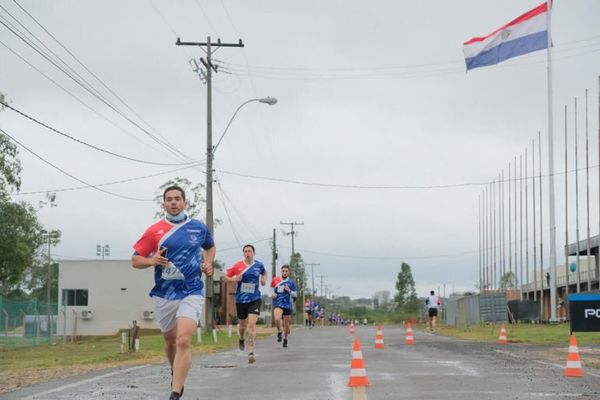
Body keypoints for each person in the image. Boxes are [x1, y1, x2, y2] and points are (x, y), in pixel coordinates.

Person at [131, 186, 216, 400]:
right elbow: (135, 260)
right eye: (169, 200)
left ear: (185, 203)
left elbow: (210, 247)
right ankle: (175, 370)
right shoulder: (154, 231)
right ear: (164, 205)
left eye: (177, 199)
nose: (173, 203)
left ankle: (176, 392)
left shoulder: (197, 227)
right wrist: (152, 260)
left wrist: (208, 263)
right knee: (170, 341)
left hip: (192, 290)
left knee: (184, 340)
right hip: (165, 293)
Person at [225, 244, 267, 363]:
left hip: (255, 298)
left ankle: (251, 352)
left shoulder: (259, 265)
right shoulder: (238, 266)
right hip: (241, 300)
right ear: (243, 253)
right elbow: (226, 277)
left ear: (253, 253)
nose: (247, 253)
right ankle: (241, 338)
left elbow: (264, 273)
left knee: (252, 324)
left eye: (249, 251)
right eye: (245, 251)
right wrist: (235, 279)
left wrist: (264, 279)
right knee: (243, 325)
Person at [270, 264, 297, 348]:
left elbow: (295, 294)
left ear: (289, 272)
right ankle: (279, 331)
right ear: (281, 272)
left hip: (287, 304)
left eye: (286, 271)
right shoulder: (276, 280)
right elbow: (271, 288)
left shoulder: (291, 282)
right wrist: (273, 294)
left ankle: (285, 339)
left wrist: (289, 290)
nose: (284, 273)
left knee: (287, 325)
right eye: (283, 271)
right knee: (277, 318)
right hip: (277, 303)